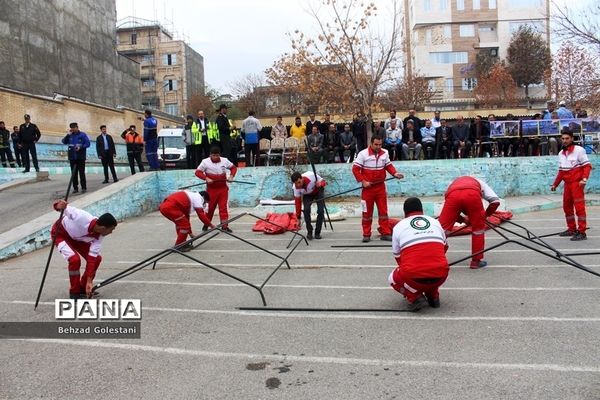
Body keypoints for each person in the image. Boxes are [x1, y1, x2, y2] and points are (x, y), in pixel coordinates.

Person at [389, 197, 449, 312]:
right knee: (433, 266)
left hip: (414, 277)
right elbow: (444, 247)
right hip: (441, 275)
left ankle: (415, 297)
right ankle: (433, 296)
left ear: (405, 212)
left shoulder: (399, 226)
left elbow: (397, 256)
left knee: (392, 278)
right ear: (422, 210)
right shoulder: (435, 222)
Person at [51, 199, 117, 299]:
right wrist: (58, 205)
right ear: (103, 228)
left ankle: (83, 288)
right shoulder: (82, 217)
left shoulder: (100, 235)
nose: (111, 232)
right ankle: (74, 292)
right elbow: (63, 208)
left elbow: (92, 258)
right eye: (111, 229)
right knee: (74, 260)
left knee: (96, 259)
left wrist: (89, 282)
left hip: (76, 238)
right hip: (60, 234)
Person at [438, 176, 501, 269]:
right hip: (472, 195)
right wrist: (485, 215)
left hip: (452, 195)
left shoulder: (453, 184)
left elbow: (452, 213)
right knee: (478, 230)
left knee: (441, 230)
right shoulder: (481, 184)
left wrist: (462, 219)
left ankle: (434, 258)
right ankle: (476, 261)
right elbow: (495, 201)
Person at [352, 135, 404, 242]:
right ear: (371, 143)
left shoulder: (385, 153)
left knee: (383, 212)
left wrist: (395, 173)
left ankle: (385, 232)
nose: (378, 147)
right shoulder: (363, 154)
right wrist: (363, 181)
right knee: (366, 213)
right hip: (368, 189)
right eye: (376, 144)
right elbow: (355, 169)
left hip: (380, 187)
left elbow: (388, 165)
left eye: (380, 144)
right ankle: (366, 234)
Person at [551, 127, 592, 241]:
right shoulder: (560, 153)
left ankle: (582, 232)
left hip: (576, 184)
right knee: (567, 207)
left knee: (579, 208)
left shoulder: (579, 150)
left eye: (567, 138)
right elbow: (561, 171)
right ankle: (571, 228)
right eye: (563, 138)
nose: (564, 140)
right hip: (567, 185)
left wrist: (584, 179)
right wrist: (555, 184)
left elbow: (587, 166)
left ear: (572, 138)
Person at [195, 146, 237, 232]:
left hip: (223, 189)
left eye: (217, 155)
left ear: (219, 155)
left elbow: (233, 168)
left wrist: (231, 176)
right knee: (210, 208)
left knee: (223, 208)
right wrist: (206, 178)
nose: (216, 157)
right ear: (210, 155)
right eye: (214, 155)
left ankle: (224, 226)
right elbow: (198, 172)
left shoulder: (225, 160)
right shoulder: (205, 162)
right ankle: (206, 224)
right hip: (211, 190)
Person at [291, 171, 326, 240]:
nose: (298, 185)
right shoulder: (295, 188)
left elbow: (324, 182)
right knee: (306, 210)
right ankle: (309, 232)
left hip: (318, 191)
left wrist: (320, 184)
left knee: (321, 211)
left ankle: (317, 233)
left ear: (302, 178)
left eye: (299, 182)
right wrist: (298, 217)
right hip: (307, 195)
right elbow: (298, 202)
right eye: (296, 183)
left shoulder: (311, 175)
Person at [62, 123, 90, 194]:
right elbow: (64, 142)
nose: (73, 129)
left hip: (80, 157)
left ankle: (83, 187)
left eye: (74, 128)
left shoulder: (82, 135)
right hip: (72, 157)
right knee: (73, 174)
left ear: (77, 127)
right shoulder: (70, 135)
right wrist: (68, 135)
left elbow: (88, 143)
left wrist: (81, 147)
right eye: (71, 128)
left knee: (81, 173)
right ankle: (75, 188)